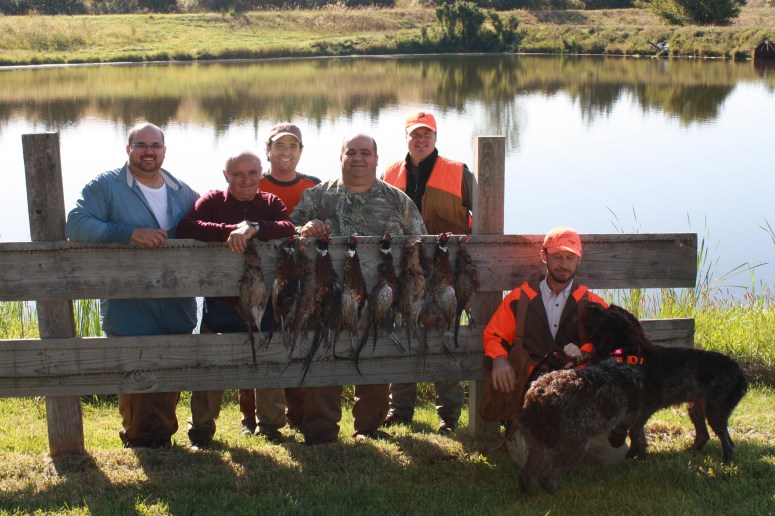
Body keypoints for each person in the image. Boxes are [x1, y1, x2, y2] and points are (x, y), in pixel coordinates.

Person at [65, 122, 199, 449]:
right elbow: (76, 224)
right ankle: (137, 441)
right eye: (141, 145)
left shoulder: (183, 191)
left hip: (176, 304)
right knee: (135, 381)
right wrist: (129, 233)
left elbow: (202, 227)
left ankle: (164, 440)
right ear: (129, 150)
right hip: (130, 306)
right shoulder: (105, 187)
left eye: (155, 145)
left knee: (170, 376)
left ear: (164, 151)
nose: (149, 151)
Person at [290, 132, 427, 445]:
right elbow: (288, 231)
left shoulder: (396, 200)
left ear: (376, 159)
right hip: (326, 299)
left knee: (375, 357)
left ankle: (368, 427)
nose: (358, 158)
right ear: (341, 158)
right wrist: (304, 230)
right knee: (323, 357)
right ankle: (321, 431)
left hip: (381, 298)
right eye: (351, 152)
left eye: (366, 153)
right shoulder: (317, 196)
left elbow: (421, 241)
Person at [176, 150, 295, 447]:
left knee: (267, 359)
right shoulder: (213, 200)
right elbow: (187, 227)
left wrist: (254, 228)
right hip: (222, 301)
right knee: (211, 364)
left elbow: (287, 227)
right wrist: (231, 232)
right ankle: (201, 429)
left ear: (261, 174)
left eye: (252, 173)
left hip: (264, 300)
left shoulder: (270, 202)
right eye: (238, 174)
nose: (245, 180)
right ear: (226, 175)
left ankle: (270, 426)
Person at [482, 227, 628, 465]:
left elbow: (618, 348)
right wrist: (499, 359)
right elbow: (494, 335)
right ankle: (529, 436)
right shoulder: (519, 299)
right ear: (544, 257)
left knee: (613, 456)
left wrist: (586, 354)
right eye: (557, 257)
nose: (563, 264)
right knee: (527, 458)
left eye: (570, 257)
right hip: (532, 403)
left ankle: (568, 442)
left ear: (579, 260)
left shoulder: (593, 304)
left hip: (580, 401)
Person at [380, 111, 474, 434]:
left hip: (445, 272)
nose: (420, 140)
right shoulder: (389, 173)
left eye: (426, 134)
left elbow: (485, 216)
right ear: (405, 137)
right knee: (402, 337)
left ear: (436, 138)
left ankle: (449, 415)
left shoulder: (458, 172)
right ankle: (399, 410)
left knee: (444, 337)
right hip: (404, 271)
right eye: (414, 135)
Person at [236, 122, 321, 440]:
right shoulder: (252, 183)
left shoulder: (314, 186)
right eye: (279, 146)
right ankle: (250, 418)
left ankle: (298, 414)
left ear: (301, 151)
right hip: (257, 279)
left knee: (298, 340)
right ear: (267, 150)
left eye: (293, 146)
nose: (286, 152)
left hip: (298, 281)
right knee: (255, 340)